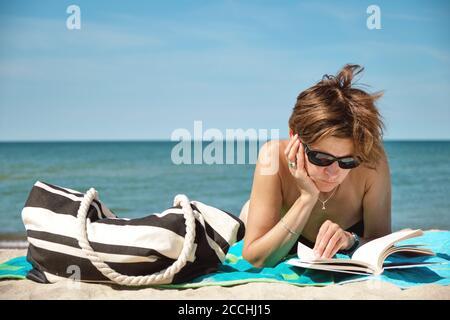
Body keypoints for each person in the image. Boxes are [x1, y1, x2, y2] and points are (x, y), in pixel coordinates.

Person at [239, 64, 391, 268]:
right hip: (270, 226)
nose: (333, 173)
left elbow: (381, 242)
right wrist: (306, 198)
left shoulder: (371, 161)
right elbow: (255, 258)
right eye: (321, 158)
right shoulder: (272, 157)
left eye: (347, 161)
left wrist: (350, 240)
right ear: (294, 137)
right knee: (249, 215)